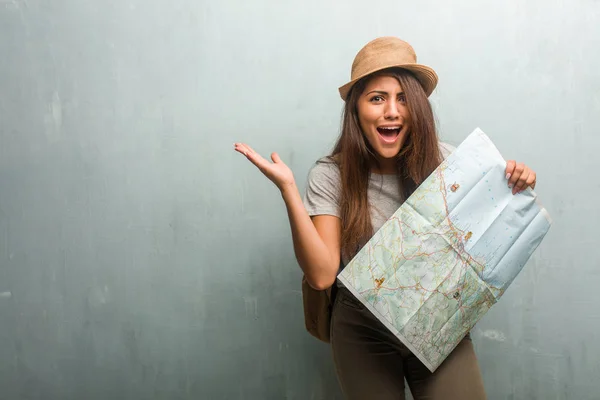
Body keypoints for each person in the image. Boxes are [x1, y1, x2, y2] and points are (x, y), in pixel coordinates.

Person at [234, 37, 537, 400]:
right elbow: (321, 274)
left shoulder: (450, 163)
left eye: (403, 98)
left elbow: (489, 235)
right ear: (356, 110)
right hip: (363, 328)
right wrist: (288, 191)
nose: (392, 111)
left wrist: (515, 182)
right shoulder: (331, 174)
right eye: (377, 98)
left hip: (436, 319)